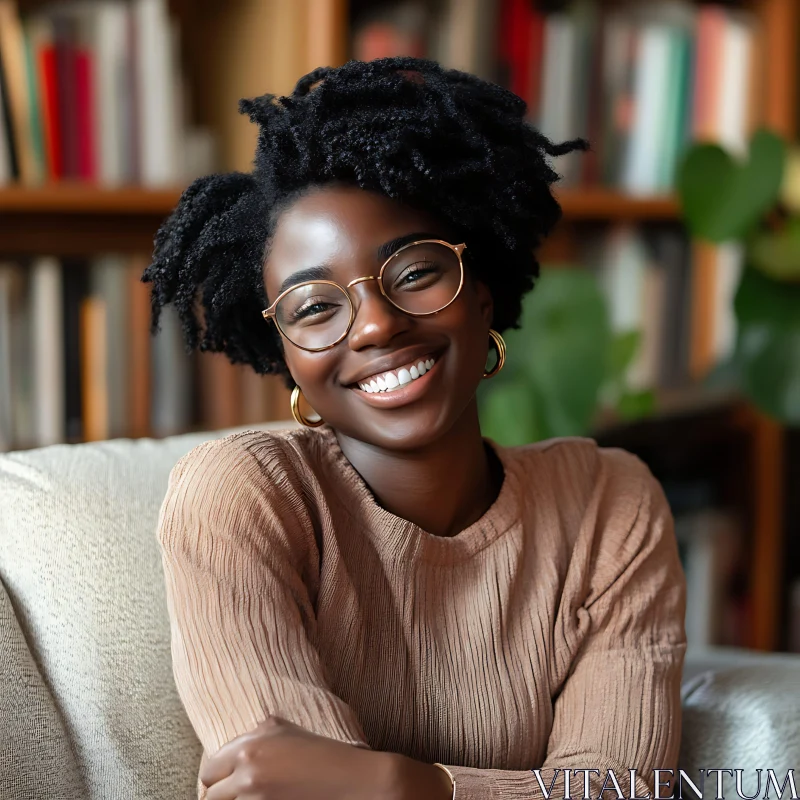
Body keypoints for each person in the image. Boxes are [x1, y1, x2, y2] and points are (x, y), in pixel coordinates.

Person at [143, 56, 687, 800]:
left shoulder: (609, 506)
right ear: (287, 357)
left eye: (415, 271)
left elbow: (621, 791)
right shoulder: (239, 496)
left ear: (483, 293)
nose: (374, 324)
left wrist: (409, 785)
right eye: (313, 309)